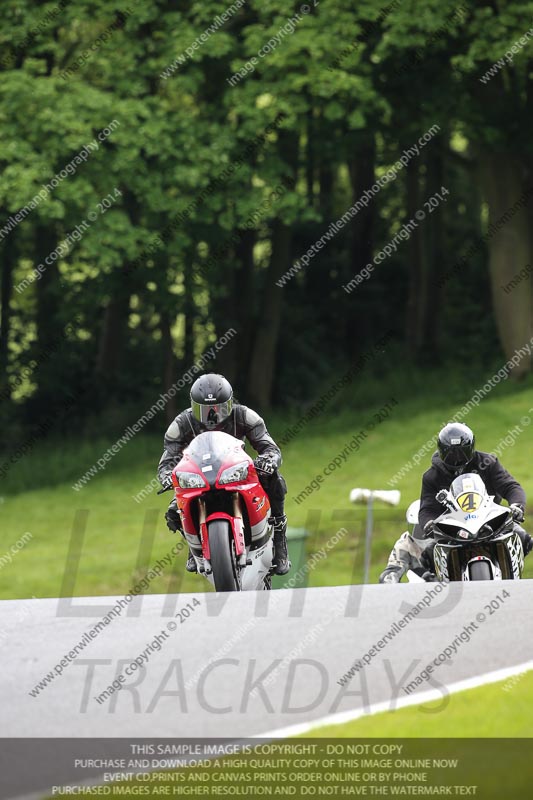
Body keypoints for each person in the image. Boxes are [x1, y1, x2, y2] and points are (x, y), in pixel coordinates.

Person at [157, 373, 291, 575]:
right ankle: (194, 546)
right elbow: (167, 460)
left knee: (275, 480)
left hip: (236, 472)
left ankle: (279, 538)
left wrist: (269, 460)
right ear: (193, 407)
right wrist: (168, 475)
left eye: (219, 409)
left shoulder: (245, 415)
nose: (213, 416)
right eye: (205, 410)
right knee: (174, 510)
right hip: (199, 476)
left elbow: (269, 446)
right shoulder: (181, 423)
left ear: (230, 404)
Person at [379, 422, 532, 582]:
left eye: (462, 452)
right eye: (451, 453)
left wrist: (517, 505)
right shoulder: (432, 476)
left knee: (524, 538)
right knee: (428, 555)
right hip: (453, 524)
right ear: (441, 451)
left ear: (471, 447)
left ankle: (513, 570)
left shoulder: (488, 462)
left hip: (489, 516)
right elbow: (427, 508)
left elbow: (510, 486)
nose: (457, 458)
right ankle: (438, 579)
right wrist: (429, 524)